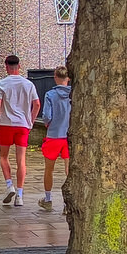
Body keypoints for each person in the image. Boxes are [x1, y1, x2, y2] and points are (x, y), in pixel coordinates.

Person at [0, 54, 40, 206]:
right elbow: (37, 104)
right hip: (22, 126)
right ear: (19, 66)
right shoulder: (28, 84)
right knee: (21, 160)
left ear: (6, 66)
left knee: (3, 157)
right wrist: (30, 122)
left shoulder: (2, 83)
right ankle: (19, 196)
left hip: (6, 124)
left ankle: (9, 186)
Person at [37, 66, 72, 211]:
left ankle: (48, 198)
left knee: (49, 169)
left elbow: (46, 115)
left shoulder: (50, 94)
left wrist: (48, 124)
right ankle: (68, 204)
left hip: (54, 135)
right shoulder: (73, 94)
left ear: (55, 77)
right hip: (69, 135)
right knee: (69, 170)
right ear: (68, 79)